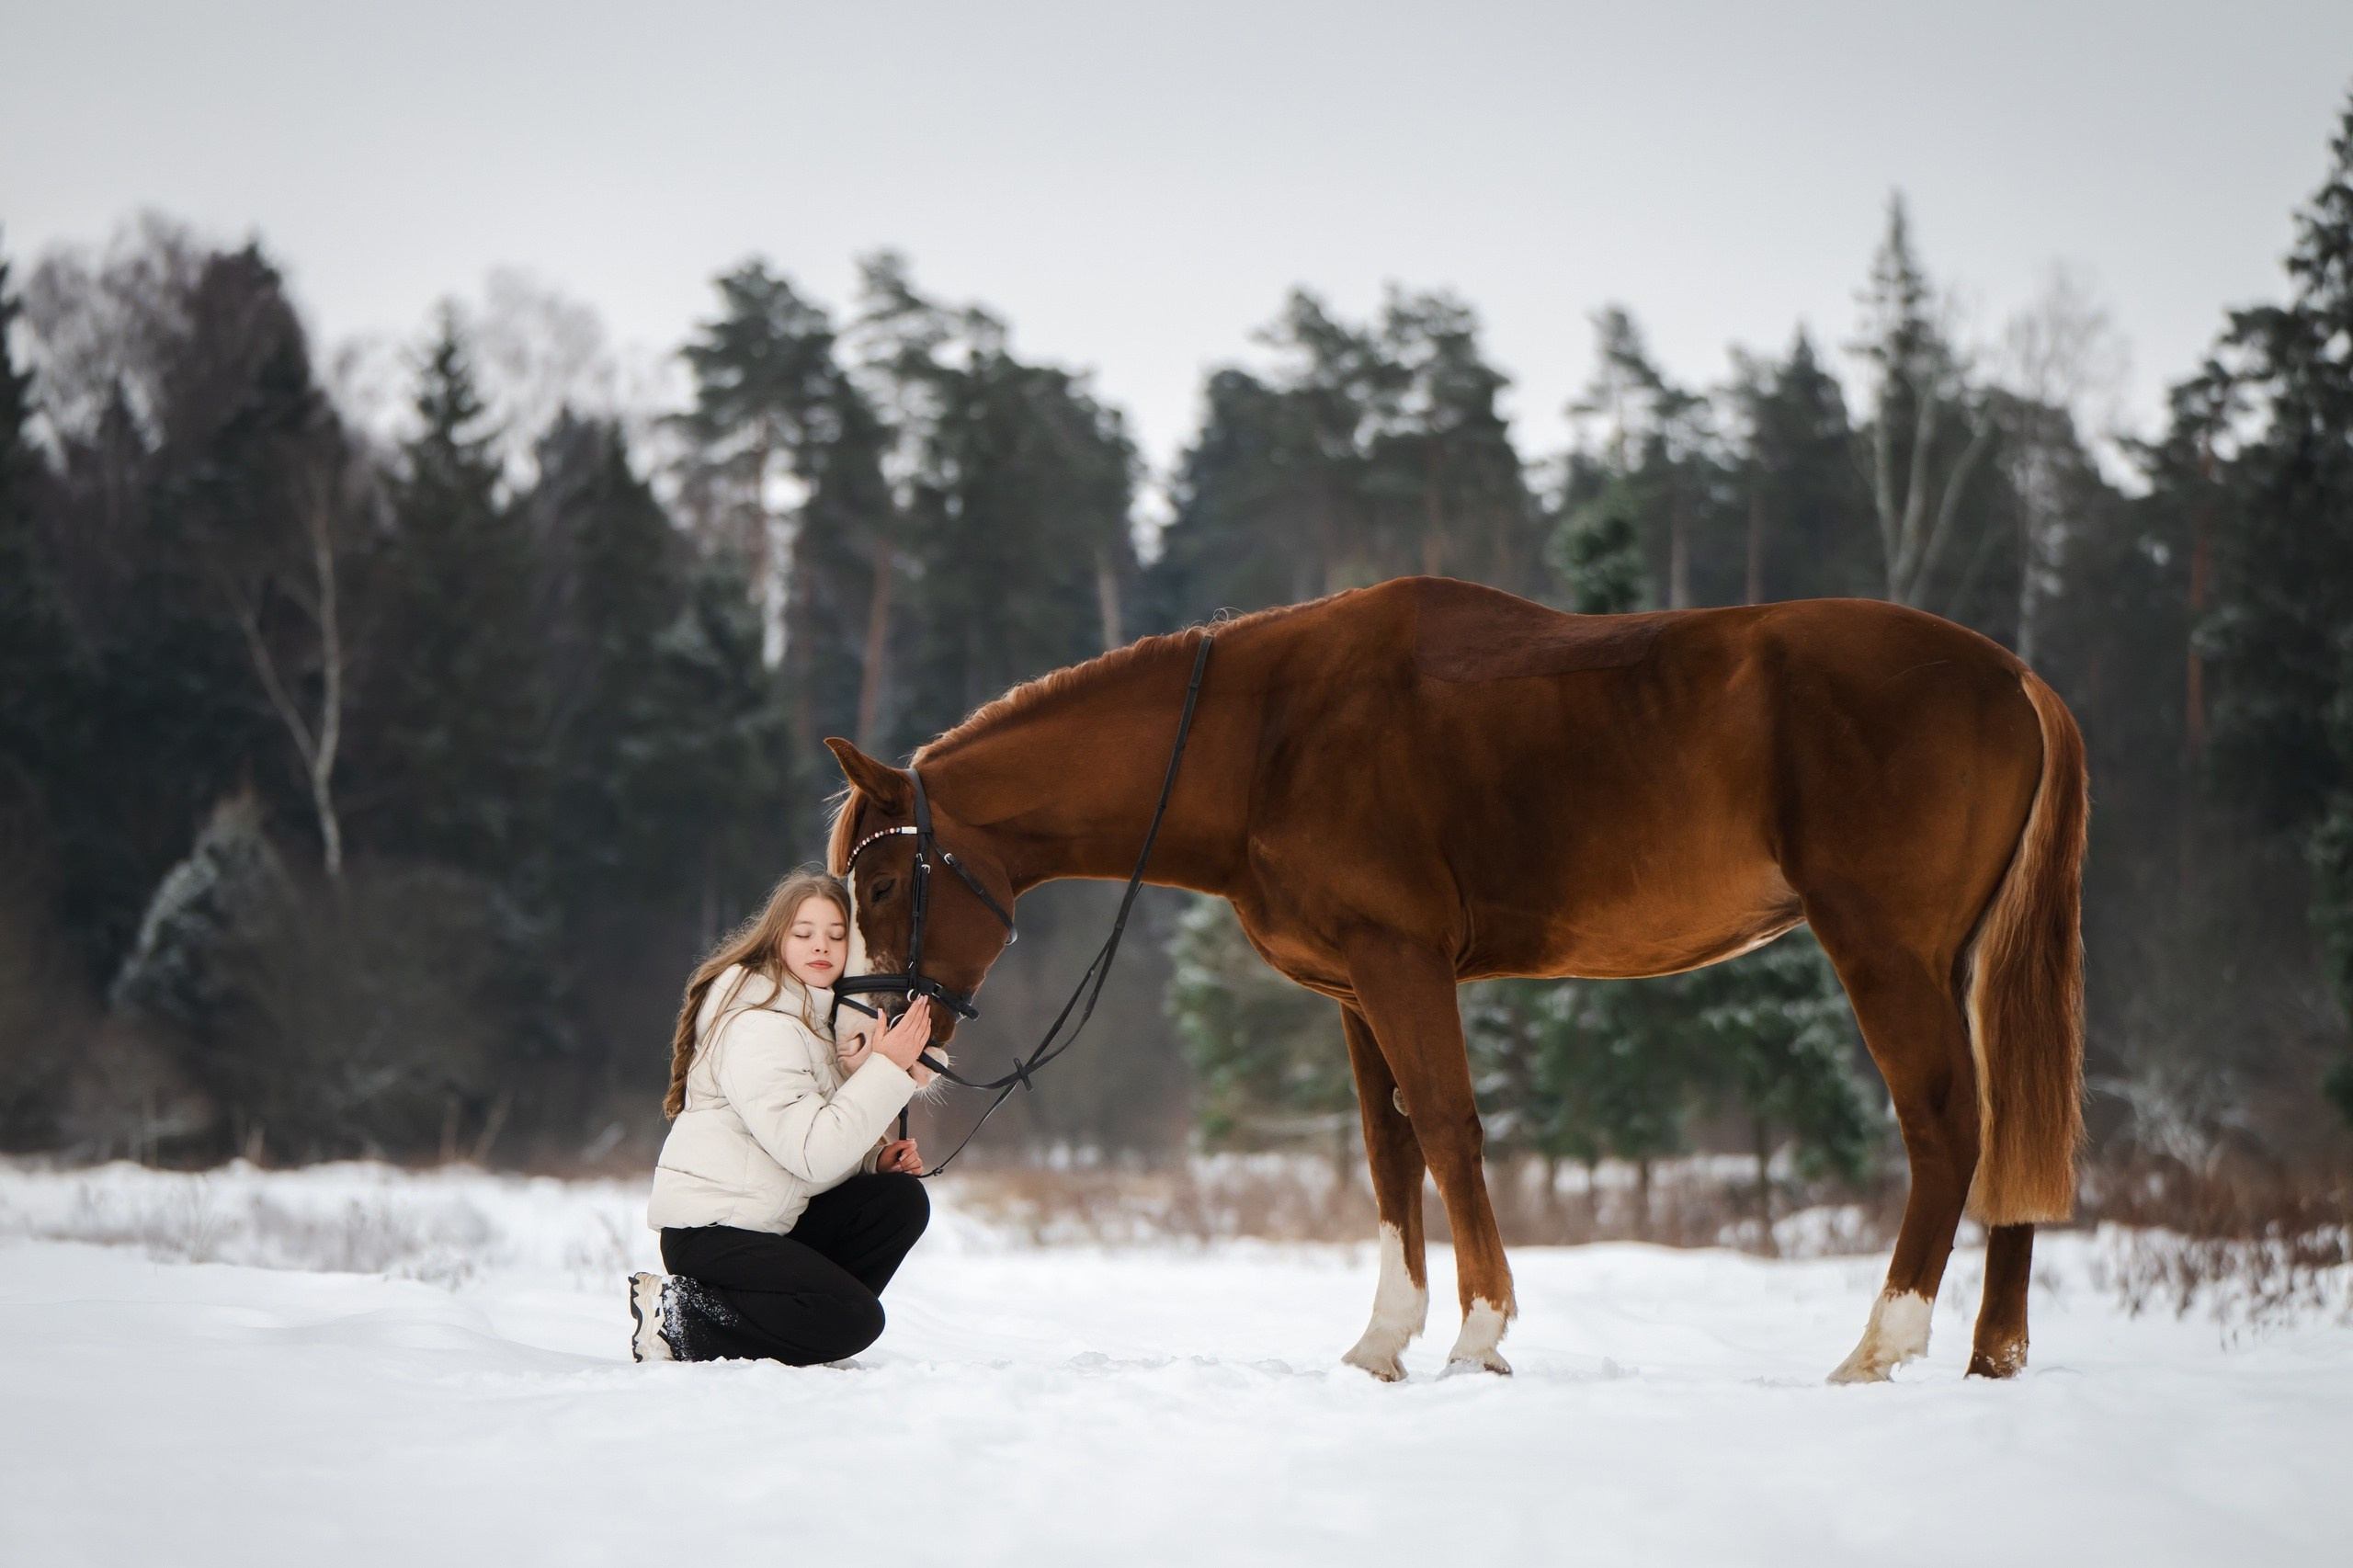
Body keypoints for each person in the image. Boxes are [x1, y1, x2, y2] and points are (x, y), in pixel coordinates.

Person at [628, 868, 938, 1366]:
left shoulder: (813, 1024)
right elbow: (811, 1155)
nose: (822, 946)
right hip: (713, 1233)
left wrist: (872, 1164)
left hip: (768, 1222)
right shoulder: (759, 1026)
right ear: (776, 941)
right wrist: (886, 1067)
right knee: (857, 1320)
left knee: (896, 1202)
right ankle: (679, 1320)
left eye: (837, 935)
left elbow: (812, 1140)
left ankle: (800, 1331)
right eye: (804, 933)